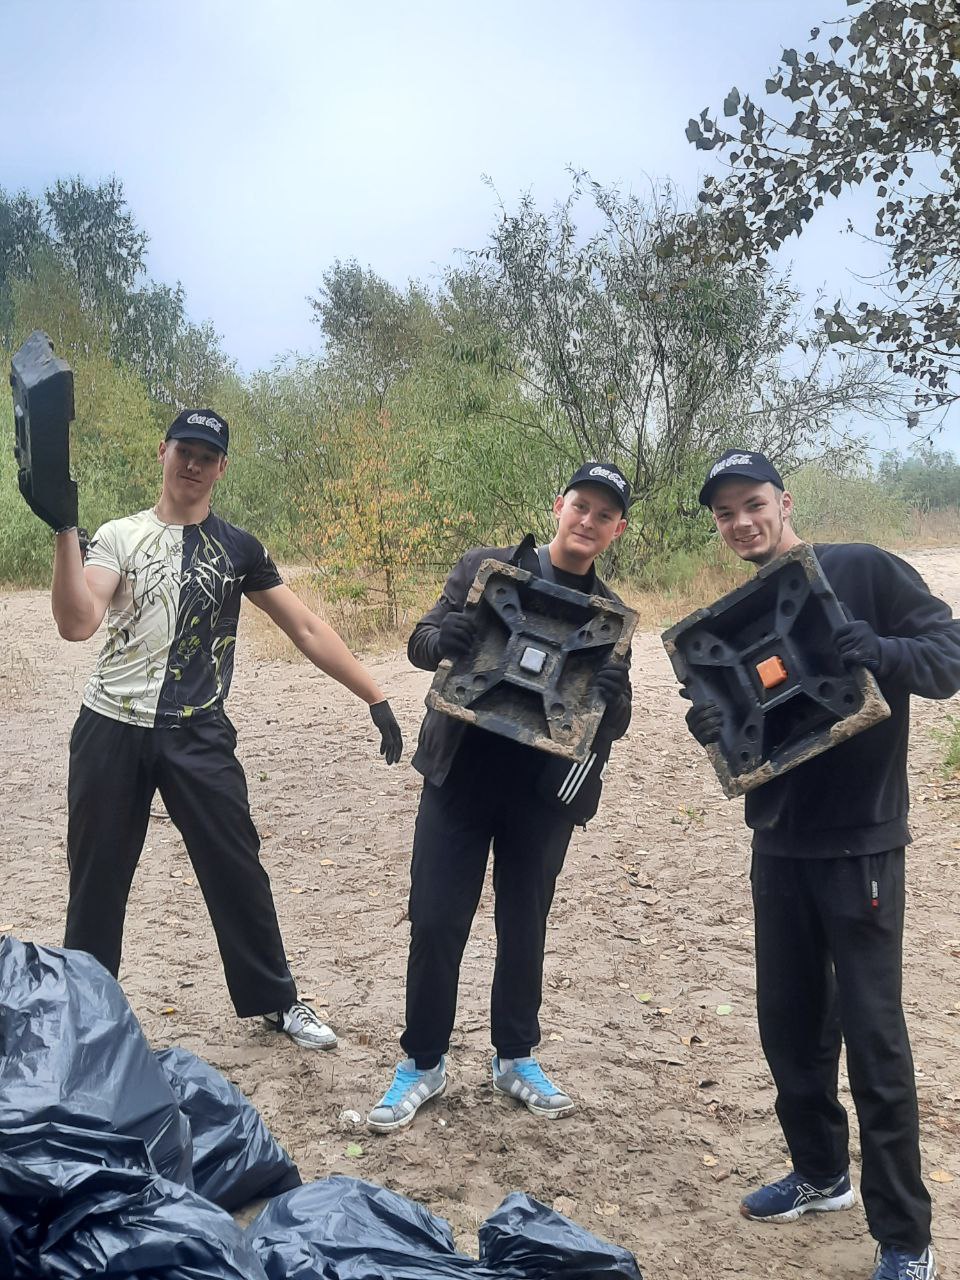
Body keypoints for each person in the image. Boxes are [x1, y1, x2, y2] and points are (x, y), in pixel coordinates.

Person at [38, 408, 403, 1050]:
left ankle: (276, 1001)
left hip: (198, 731)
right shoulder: (120, 536)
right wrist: (66, 529)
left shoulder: (238, 548)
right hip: (110, 729)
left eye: (207, 456)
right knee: (97, 876)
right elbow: (76, 622)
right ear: (163, 452)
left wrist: (374, 694)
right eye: (185, 450)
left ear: (222, 468)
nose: (193, 464)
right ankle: (85, 1011)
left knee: (236, 867)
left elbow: (304, 627)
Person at [685, 448, 960, 1280]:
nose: (742, 522)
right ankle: (821, 1174)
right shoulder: (739, 615)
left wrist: (880, 649)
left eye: (753, 504)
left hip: (862, 844)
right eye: (726, 513)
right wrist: (716, 726)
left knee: (875, 1042)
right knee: (790, 1027)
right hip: (779, 843)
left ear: (785, 501)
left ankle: (905, 1237)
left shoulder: (863, 570)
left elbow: (948, 657)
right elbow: (755, 722)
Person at [366, 462, 634, 1132]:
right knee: (435, 919)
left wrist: (615, 697)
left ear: (618, 530)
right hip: (459, 776)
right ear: (558, 505)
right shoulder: (487, 570)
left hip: (542, 796)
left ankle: (515, 1057)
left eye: (604, 515)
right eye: (581, 506)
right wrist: (444, 639)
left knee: (524, 924)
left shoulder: (608, 619)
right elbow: (421, 643)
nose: (589, 521)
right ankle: (422, 1062)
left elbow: (608, 724)